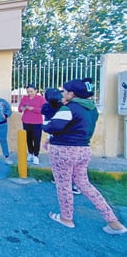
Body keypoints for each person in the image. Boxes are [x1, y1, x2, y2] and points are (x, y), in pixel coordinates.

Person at [42, 78, 127, 234]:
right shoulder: (92, 109)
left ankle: (66, 218)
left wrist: (45, 124)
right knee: (85, 185)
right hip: (83, 150)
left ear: (72, 94)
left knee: (64, 185)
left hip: (64, 151)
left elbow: (53, 126)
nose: (63, 94)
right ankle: (113, 222)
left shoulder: (70, 109)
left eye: (65, 91)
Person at [41, 88, 81, 195]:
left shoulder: (49, 108)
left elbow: (48, 126)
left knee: (63, 165)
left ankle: (65, 183)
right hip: (67, 141)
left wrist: (48, 138)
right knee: (70, 166)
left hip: (59, 141)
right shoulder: (66, 108)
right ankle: (70, 184)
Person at [18, 84, 46, 165]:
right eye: (28, 92)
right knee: (28, 138)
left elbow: (43, 110)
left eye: (31, 91)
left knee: (37, 139)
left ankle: (36, 155)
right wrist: (22, 108)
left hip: (37, 122)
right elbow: (19, 109)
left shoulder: (40, 99)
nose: (30, 93)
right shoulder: (24, 98)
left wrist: (33, 109)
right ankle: (30, 153)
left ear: (36, 90)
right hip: (26, 121)